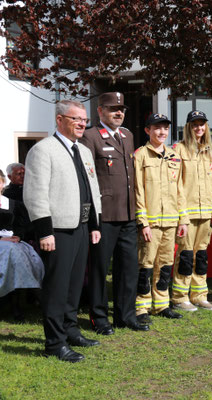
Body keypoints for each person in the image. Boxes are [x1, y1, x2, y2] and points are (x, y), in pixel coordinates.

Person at [24, 99, 102, 363]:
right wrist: (44, 232)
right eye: (76, 119)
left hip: (80, 227)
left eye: (84, 120)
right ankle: (54, 343)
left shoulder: (84, 151)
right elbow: (35, 194)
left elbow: (90, 190)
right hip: (57, 230)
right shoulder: (43, 150)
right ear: (59, 120)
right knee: (57, 288)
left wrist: (94, 225)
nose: (82, 123)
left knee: (74, 286)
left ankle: (70, 330)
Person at [79, 92, 148, 334]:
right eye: (112, 109)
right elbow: (87, 179)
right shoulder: (90, 137)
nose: (119, 113)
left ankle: (125, 315)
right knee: (99, 270)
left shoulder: (127, 135)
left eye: (122, 109)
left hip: (128, 214)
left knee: (128, 269)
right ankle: (99, 317)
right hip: (104, 216)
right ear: (100, 111)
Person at [134, 113, 189, 322]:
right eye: (157, 128)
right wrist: (143, 222)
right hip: (152, 222)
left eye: (165, 128)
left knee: (165, 265)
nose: (161, 132)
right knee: (146, 264)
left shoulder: (174, 156)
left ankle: (161, 304)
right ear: (148, 130)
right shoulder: (140, 155)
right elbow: (138, 191)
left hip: (171, 221)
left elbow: (180, 190)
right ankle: (142, 307)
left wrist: (182, 219)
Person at [171, 111, 212, 312]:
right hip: (188, 213)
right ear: (188, 127)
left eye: (202, 124)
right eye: (195, 125)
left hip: (206, 213)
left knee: (201, 256)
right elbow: (176, 185)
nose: (199, 128)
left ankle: (200, 295)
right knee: (185, 255)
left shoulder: (211, 151)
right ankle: (180, 296)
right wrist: (182, 215)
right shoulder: (179, 150)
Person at [0, 168, 44, 301]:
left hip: (12, 240)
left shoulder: (12, 203)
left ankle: (24, 293)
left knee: (25, 252)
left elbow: (21, 225)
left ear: (2, 183)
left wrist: (18, 236)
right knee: (11, 251)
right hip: (3, 242)